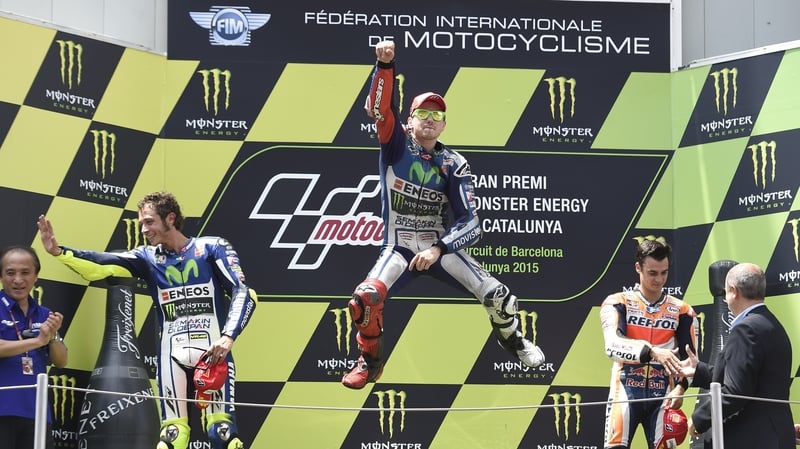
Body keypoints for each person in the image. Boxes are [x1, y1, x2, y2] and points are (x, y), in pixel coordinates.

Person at [341, 40, 545, 390]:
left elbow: (472, 223)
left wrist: (438, 249)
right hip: (399, 246)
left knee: (501, 298)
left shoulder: (454, 163)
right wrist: (384, 66)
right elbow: (379, 109)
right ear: (411, 120)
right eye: (423, 114)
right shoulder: (395, 143)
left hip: (438, 248)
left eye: (437, 115)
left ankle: (512, 340)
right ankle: (370, 361)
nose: (430, 120)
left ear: (445, 124)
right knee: (365, 298)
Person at [37, 191, 257, 449]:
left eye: (149, 222)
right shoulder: (147, 258)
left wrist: (228, 336)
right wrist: (59, 252)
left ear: (170, 218)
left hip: (213, 352)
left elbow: (245, 293)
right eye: (141, 223)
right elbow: (101, 265)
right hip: (171, 354)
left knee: (222, 434)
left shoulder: (212, 248)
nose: (143, 229)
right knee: (172, 436)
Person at [678, 262, 794, 449]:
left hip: (754, 438)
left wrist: (698, 419)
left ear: (733, 291)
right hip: (775, 435)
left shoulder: (745, 328)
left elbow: (736, 392)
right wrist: (699, 370)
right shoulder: (772, 324)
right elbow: (751, 379)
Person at [599, 238, 698, 449]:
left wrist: (680, 388)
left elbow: (691, 361)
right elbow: (612, 345)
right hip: (625, 390)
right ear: (638, 268)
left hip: (664, 395)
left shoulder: (683, 311)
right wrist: (653, 352)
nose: (659, 279)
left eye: (664, 272)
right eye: (653, 273)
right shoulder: (618, 302)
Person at [0, 245, 68, 449]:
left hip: (36, 413)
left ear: (36, 276)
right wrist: (38, 341)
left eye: (25, 273)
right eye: (10, 273)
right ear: (1, 276)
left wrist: (52, 336)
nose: (18, 280)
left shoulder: (45, 314)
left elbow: (62, 361)